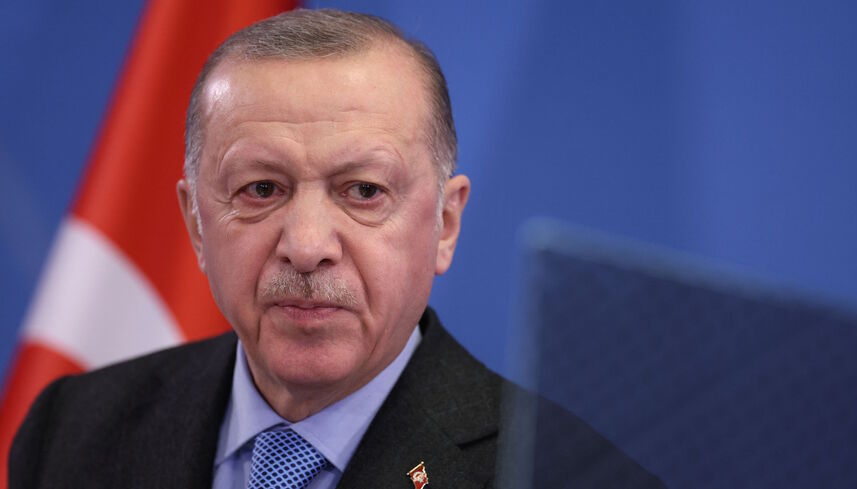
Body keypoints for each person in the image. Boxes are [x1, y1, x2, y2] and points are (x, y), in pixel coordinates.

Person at [10, 9, 665, 489]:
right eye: (261, 188)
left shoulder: (565, 476)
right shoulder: (72, 429)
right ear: (196, 223)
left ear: (444, 223)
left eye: (363, 190)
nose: (306, 245)